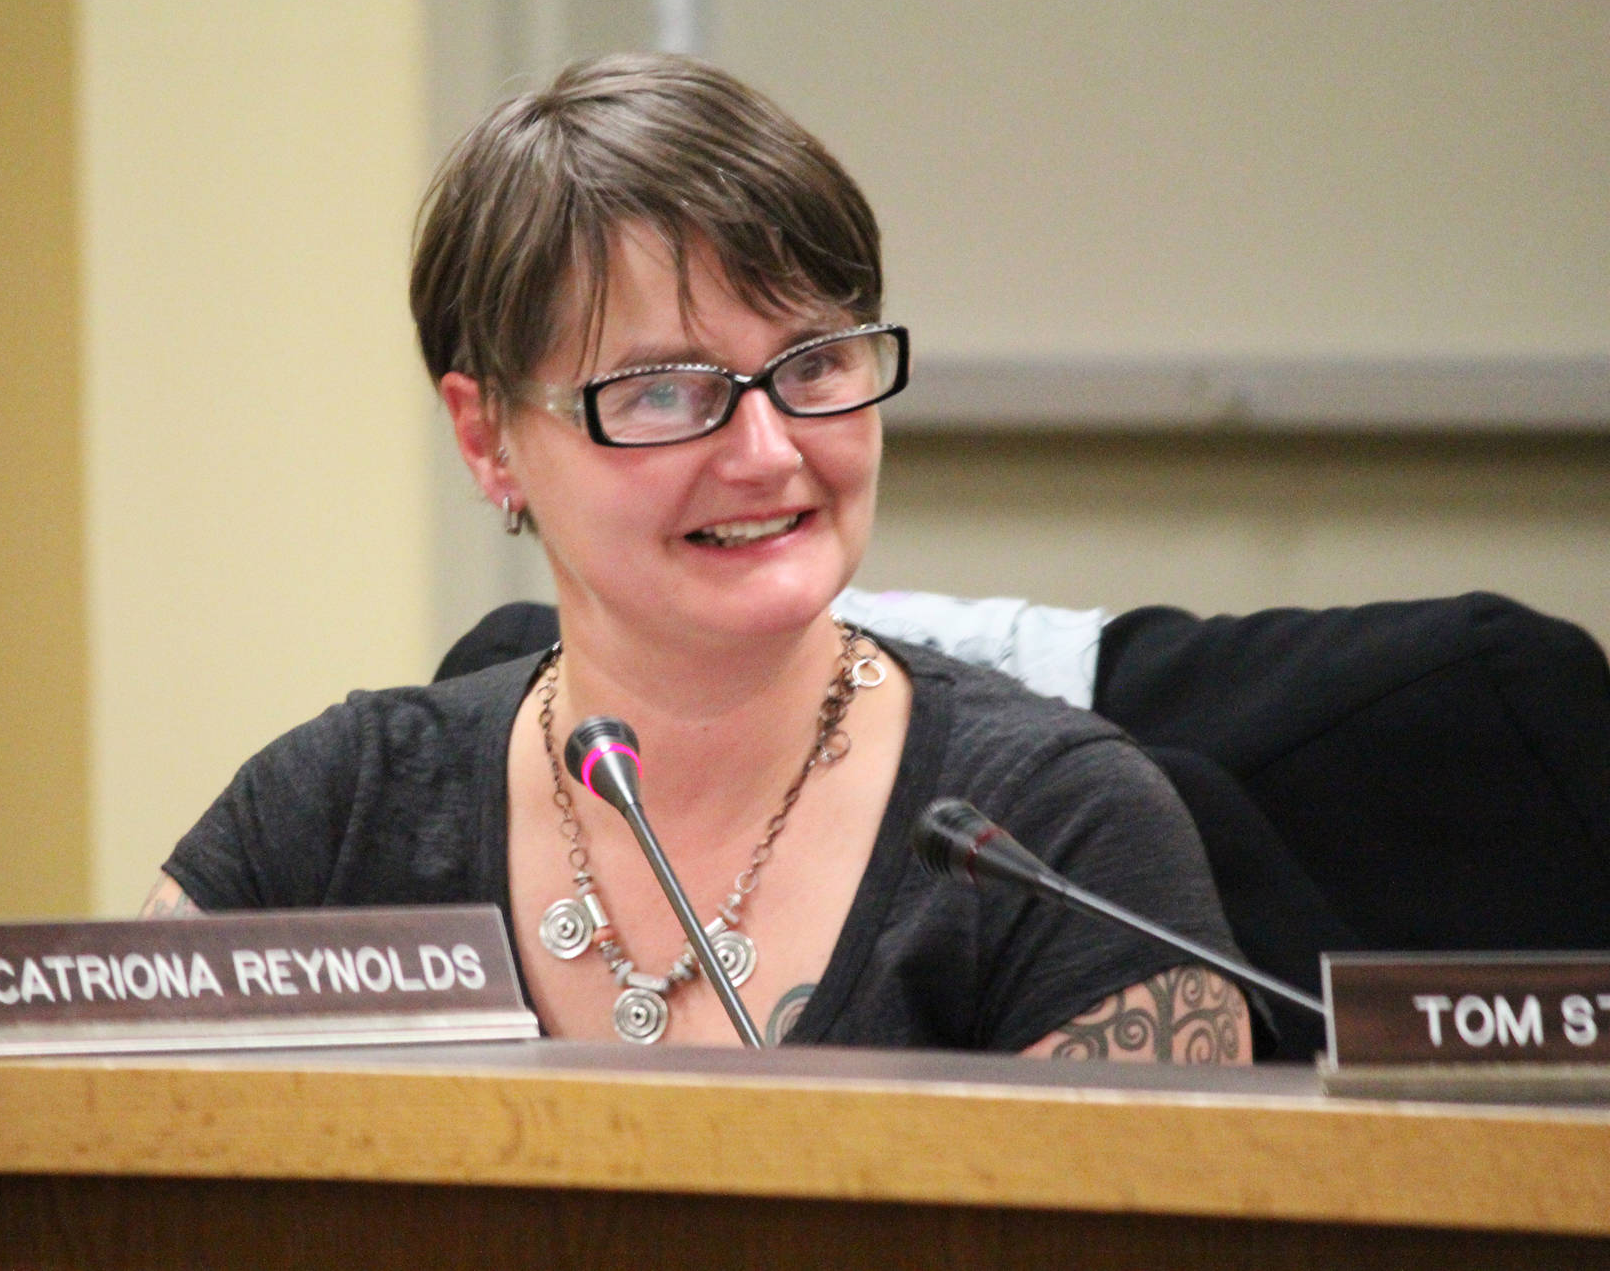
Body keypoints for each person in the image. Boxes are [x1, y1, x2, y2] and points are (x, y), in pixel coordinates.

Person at [145, 52, 1251, 1061]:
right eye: (666, 391)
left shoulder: (1060, 840)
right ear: (487, 440)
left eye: (813, 365)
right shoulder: (334, 816)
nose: (767, 452)